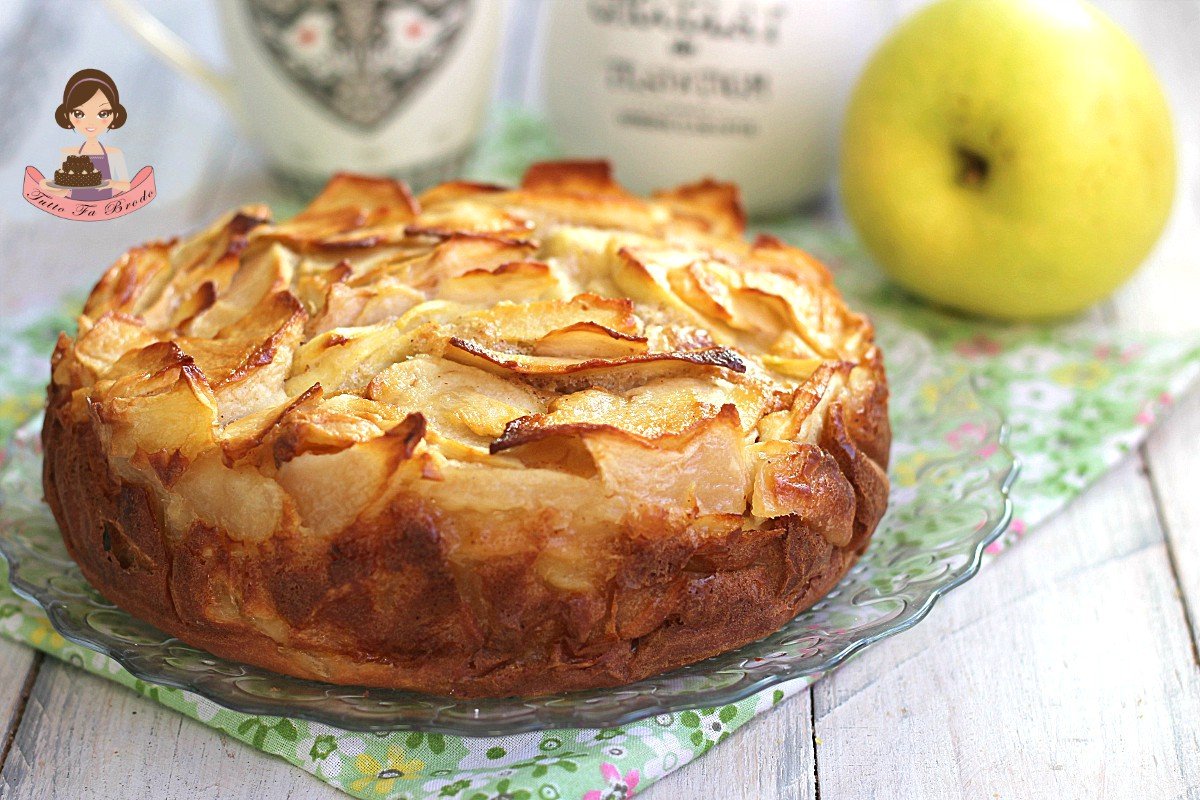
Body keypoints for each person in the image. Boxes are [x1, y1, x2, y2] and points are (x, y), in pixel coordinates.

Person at [40, 69, 131, 200]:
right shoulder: (68, 154)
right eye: (79, 114)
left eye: (102, 113)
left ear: (115, 115)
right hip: (75, 211)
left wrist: (112, 183)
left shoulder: (114, 153)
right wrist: (46, 186)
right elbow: (63, 192)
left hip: (106, 211)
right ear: (67, 115)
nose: (90, 122)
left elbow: (127, 186)